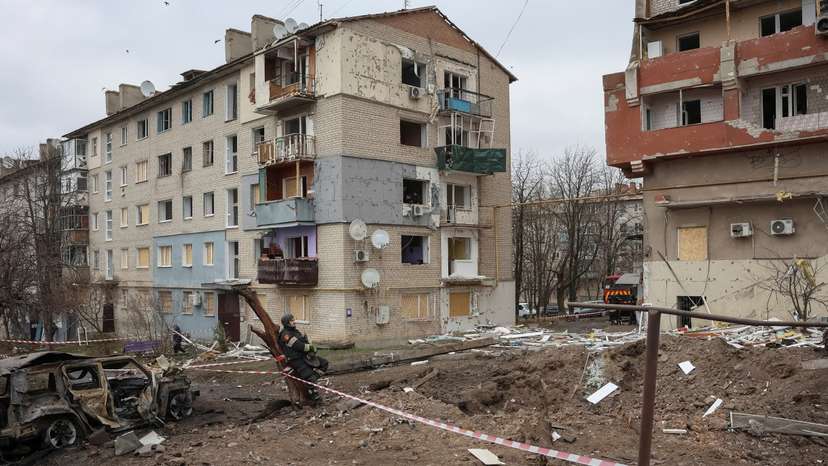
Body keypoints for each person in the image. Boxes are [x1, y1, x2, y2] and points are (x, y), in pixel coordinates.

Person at [278, 313, 329, 402]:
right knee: (310, 377)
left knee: (324, 363)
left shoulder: (295, 331)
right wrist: (311, 347)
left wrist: (311, 350)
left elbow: (303, 342)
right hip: (295, 359)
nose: (294, 321)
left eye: (293, 319)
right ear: (287, 322)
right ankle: (314, 398)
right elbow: (298, 346)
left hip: (305, 356)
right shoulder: (285, 335)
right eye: (292, 320)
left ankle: (311, 381)